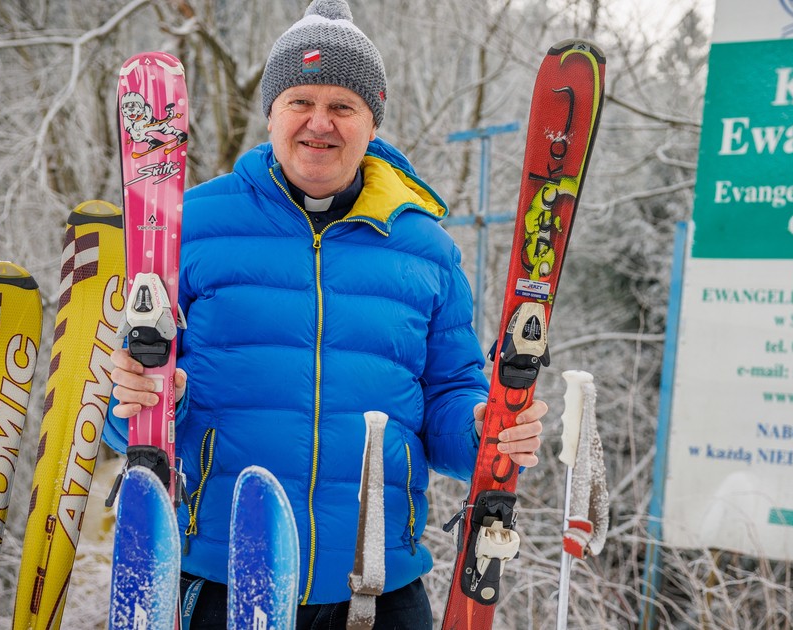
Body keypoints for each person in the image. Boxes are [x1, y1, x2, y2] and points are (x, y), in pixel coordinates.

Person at [104, 1, 547, 627]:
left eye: (343, 105)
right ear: (271, 113)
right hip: (225, 579)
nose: (320, 122)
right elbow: (126, 420)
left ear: (373, 122)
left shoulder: (426, 251)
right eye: (300, 101)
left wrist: (483, 427)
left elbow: (450, 398)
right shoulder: (187, 228)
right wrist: (145, 399)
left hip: (378, 586)